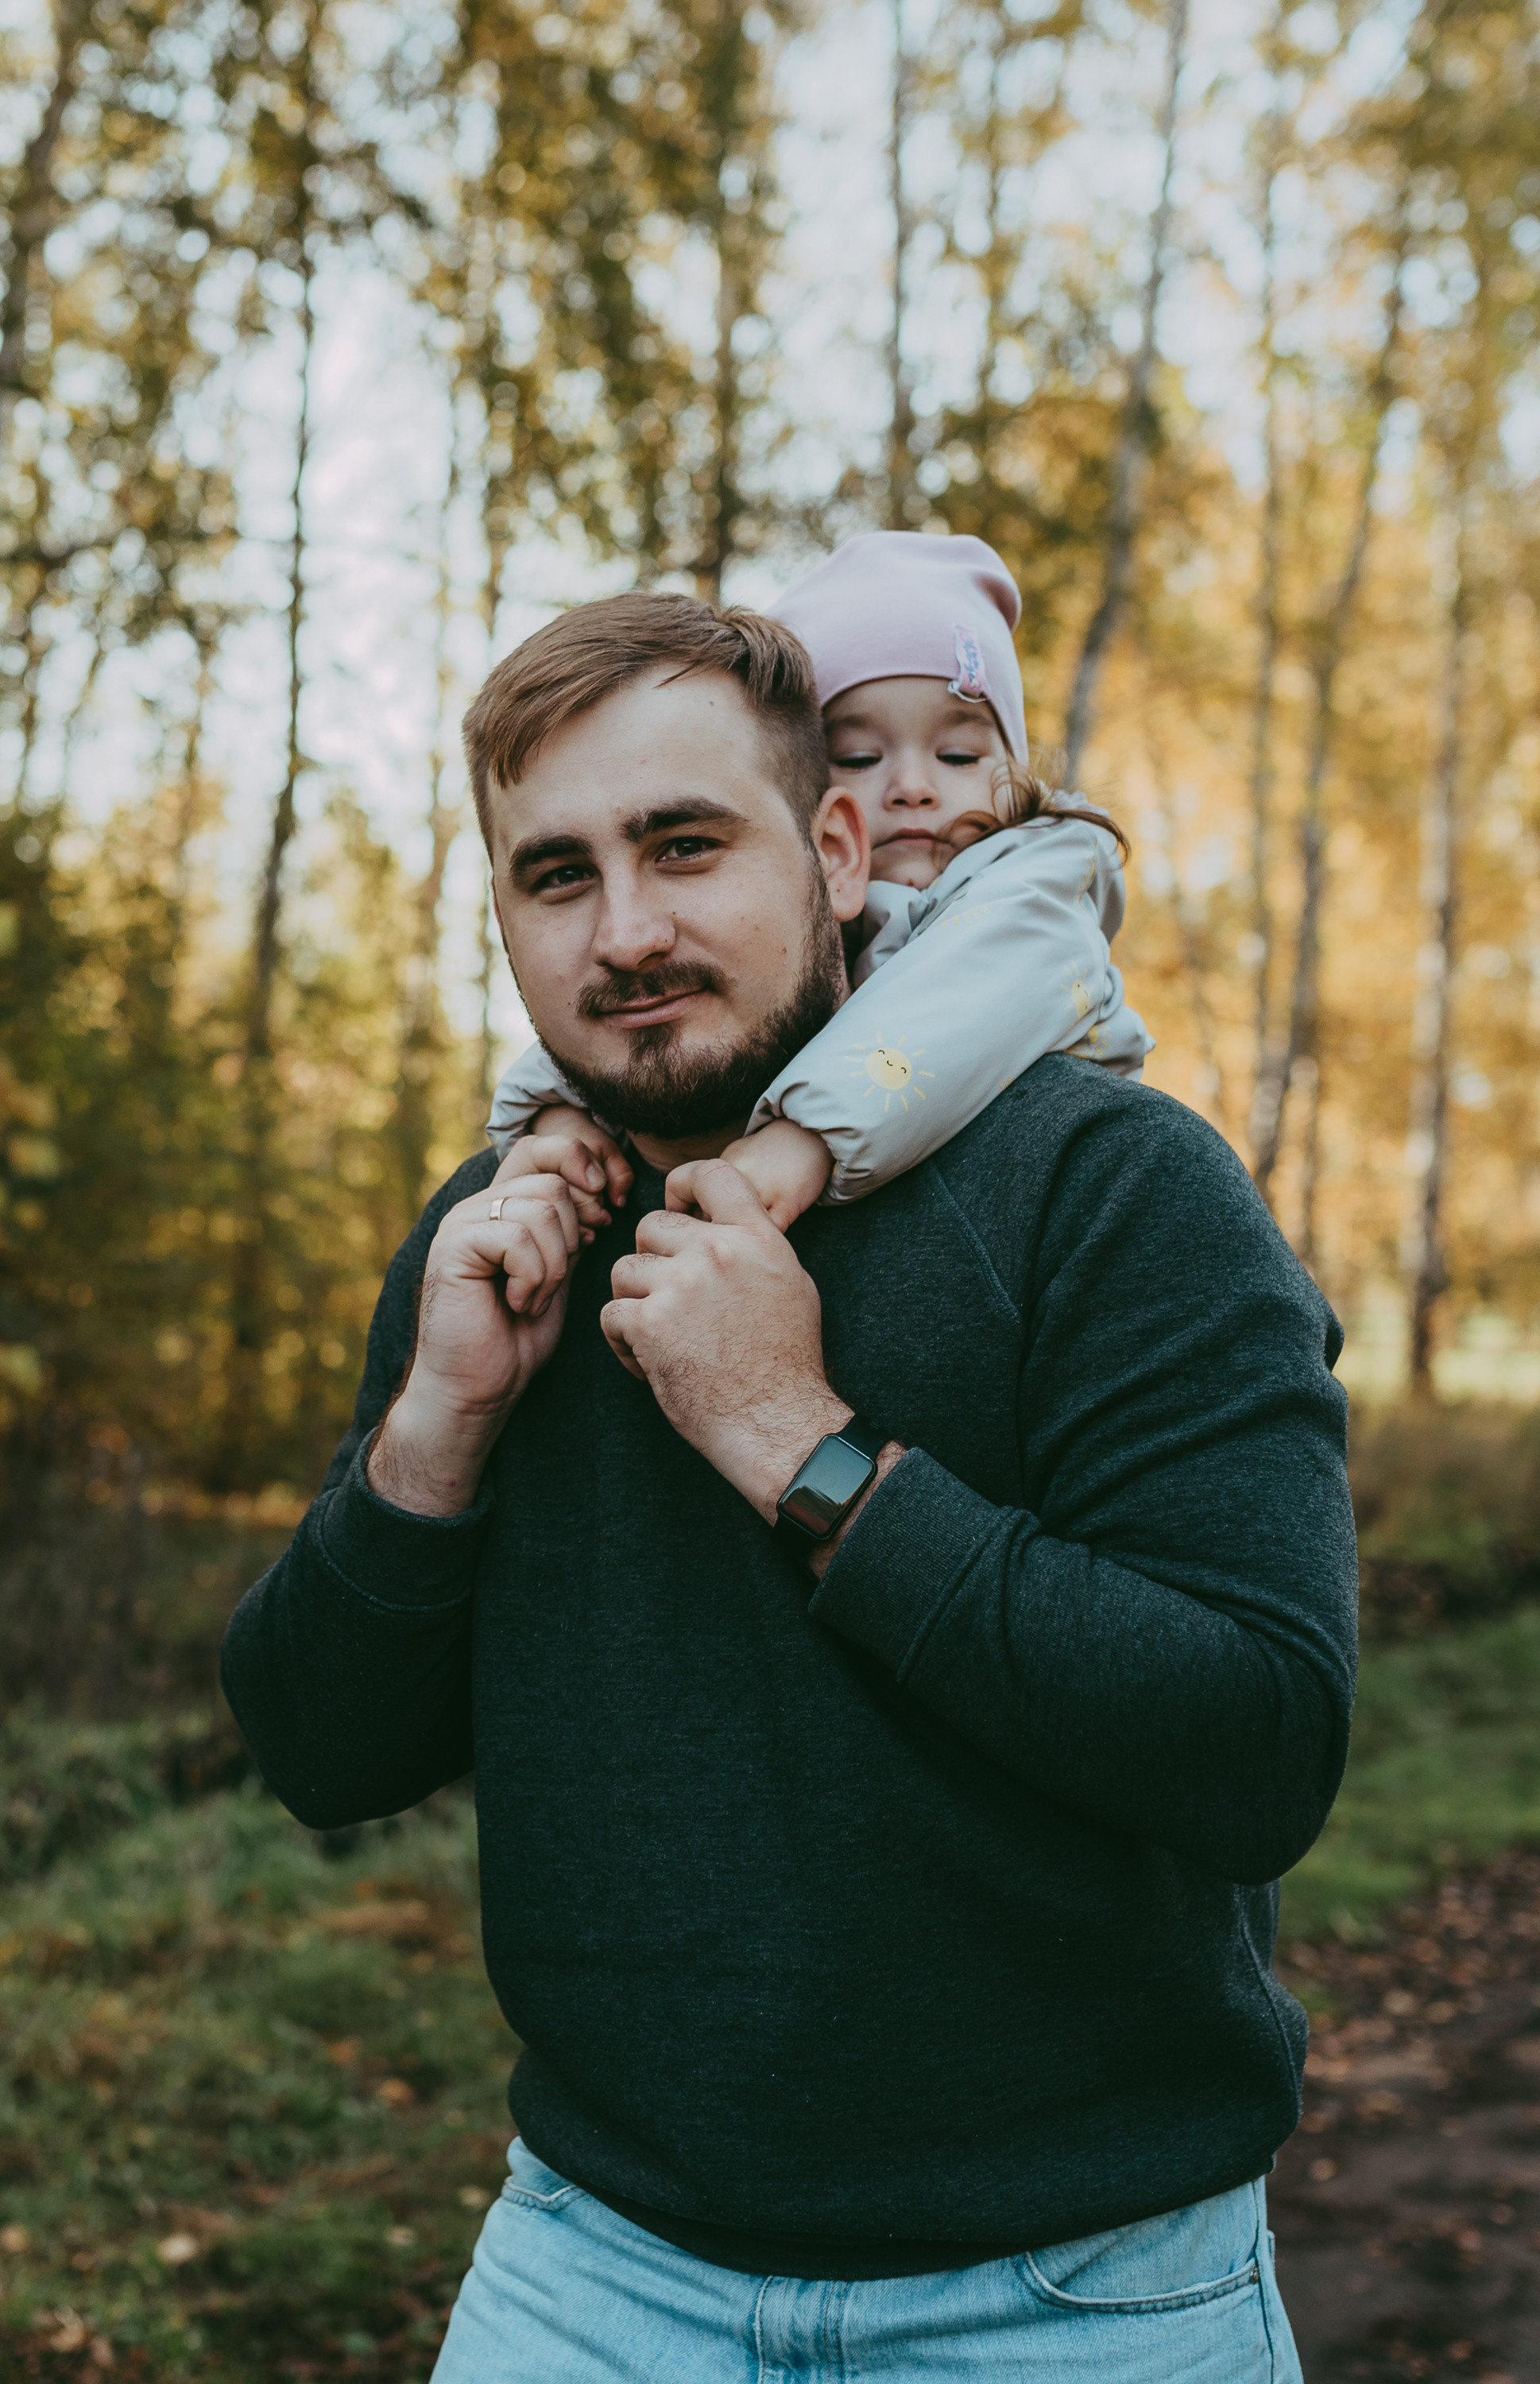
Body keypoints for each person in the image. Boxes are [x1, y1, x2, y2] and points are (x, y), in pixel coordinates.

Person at [221, 586, 1357, 2382]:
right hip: (597, 2270)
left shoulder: (1115, 1187)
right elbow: (320, 1749)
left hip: (1067, 2295)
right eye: (558, 873)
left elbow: (1258, 1743)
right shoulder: (496, 1235)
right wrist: (433, 1434)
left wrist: (798, 1446)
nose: (628, 931)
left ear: (837, 847)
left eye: (685, 845)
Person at [484, 532, 1151, 1229]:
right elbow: (643, 998)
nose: (914, 788)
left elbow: (968, 1005)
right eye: (860, 757)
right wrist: (552, 1109)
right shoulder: (494, 1214)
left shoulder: (1041, 880)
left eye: (958, 753)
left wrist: (806, 1138)